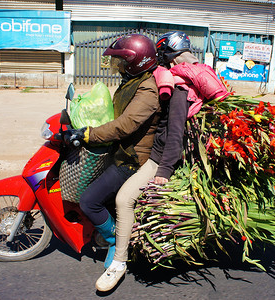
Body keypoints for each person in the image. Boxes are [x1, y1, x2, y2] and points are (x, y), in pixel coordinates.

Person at [95, 31, 228, 292]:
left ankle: (119, 263)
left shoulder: (179, 86)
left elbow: (175, 132)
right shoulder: (174, 78)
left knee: (124, 199)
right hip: (156, 152)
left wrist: (164, 170)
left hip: (160, 158)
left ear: (166, 55)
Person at [66, 34, 161, 288]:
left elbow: (125, 124)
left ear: (135, 62)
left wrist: (89, 133)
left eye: (120, 62)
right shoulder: (132, 81)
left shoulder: (147, 90)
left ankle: (113, 242)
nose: (117, 67)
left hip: (131, 160)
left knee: (89, 200)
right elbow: (113, 113)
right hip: (118, 151)